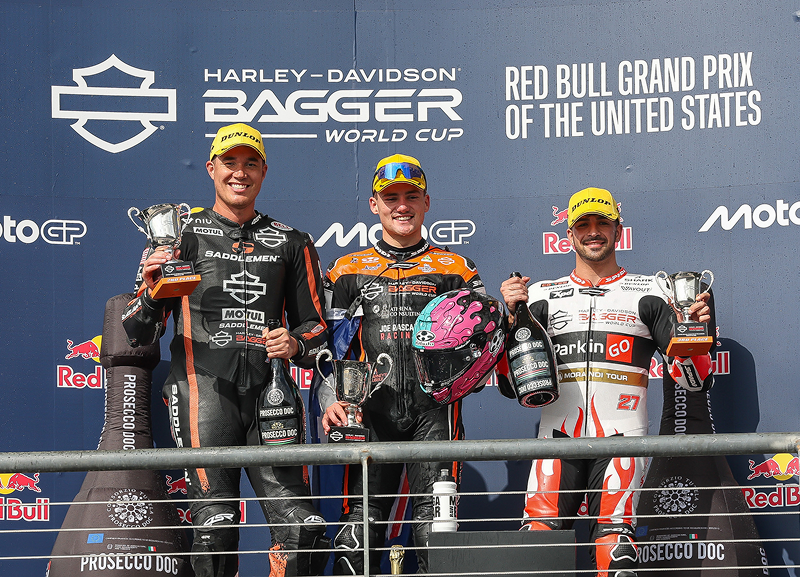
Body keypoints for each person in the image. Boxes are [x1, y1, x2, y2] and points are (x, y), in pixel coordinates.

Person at [122, 123, 329, 577]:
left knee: (303, 530)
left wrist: (295, 343)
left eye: (250, 163)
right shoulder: (181, 235)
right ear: (212, 169)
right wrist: (154, 288)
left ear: (264, 171)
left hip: (273, 400)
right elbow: (137, 328)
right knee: (214, 528)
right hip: (203, 394)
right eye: (230, 163)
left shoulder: (292, 241)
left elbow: (317, 329)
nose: (240, 173)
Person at [499, 187, 714, 577]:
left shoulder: (651, 292)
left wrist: (693, 335)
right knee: (537, 541)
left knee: (616, 549)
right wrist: (510, 322)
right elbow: (509, 386)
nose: (593, 232)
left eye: (603, 223)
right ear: (569, 234)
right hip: (556, 440)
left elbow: (694, 381)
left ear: (618, 230)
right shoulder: (541, 298)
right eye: (584, 225)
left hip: (624, 439)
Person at [320, 154, 485, 574]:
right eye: (390, 197)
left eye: (411, 196)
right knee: (358, 535)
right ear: (374, 204)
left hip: (436, 415)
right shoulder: (346, 271)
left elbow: (483, 348)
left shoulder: (456, 270)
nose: (401, 205)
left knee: (437, 530)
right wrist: (329, 398)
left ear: (427, 202)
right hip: (368, 414)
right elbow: (326, 352)